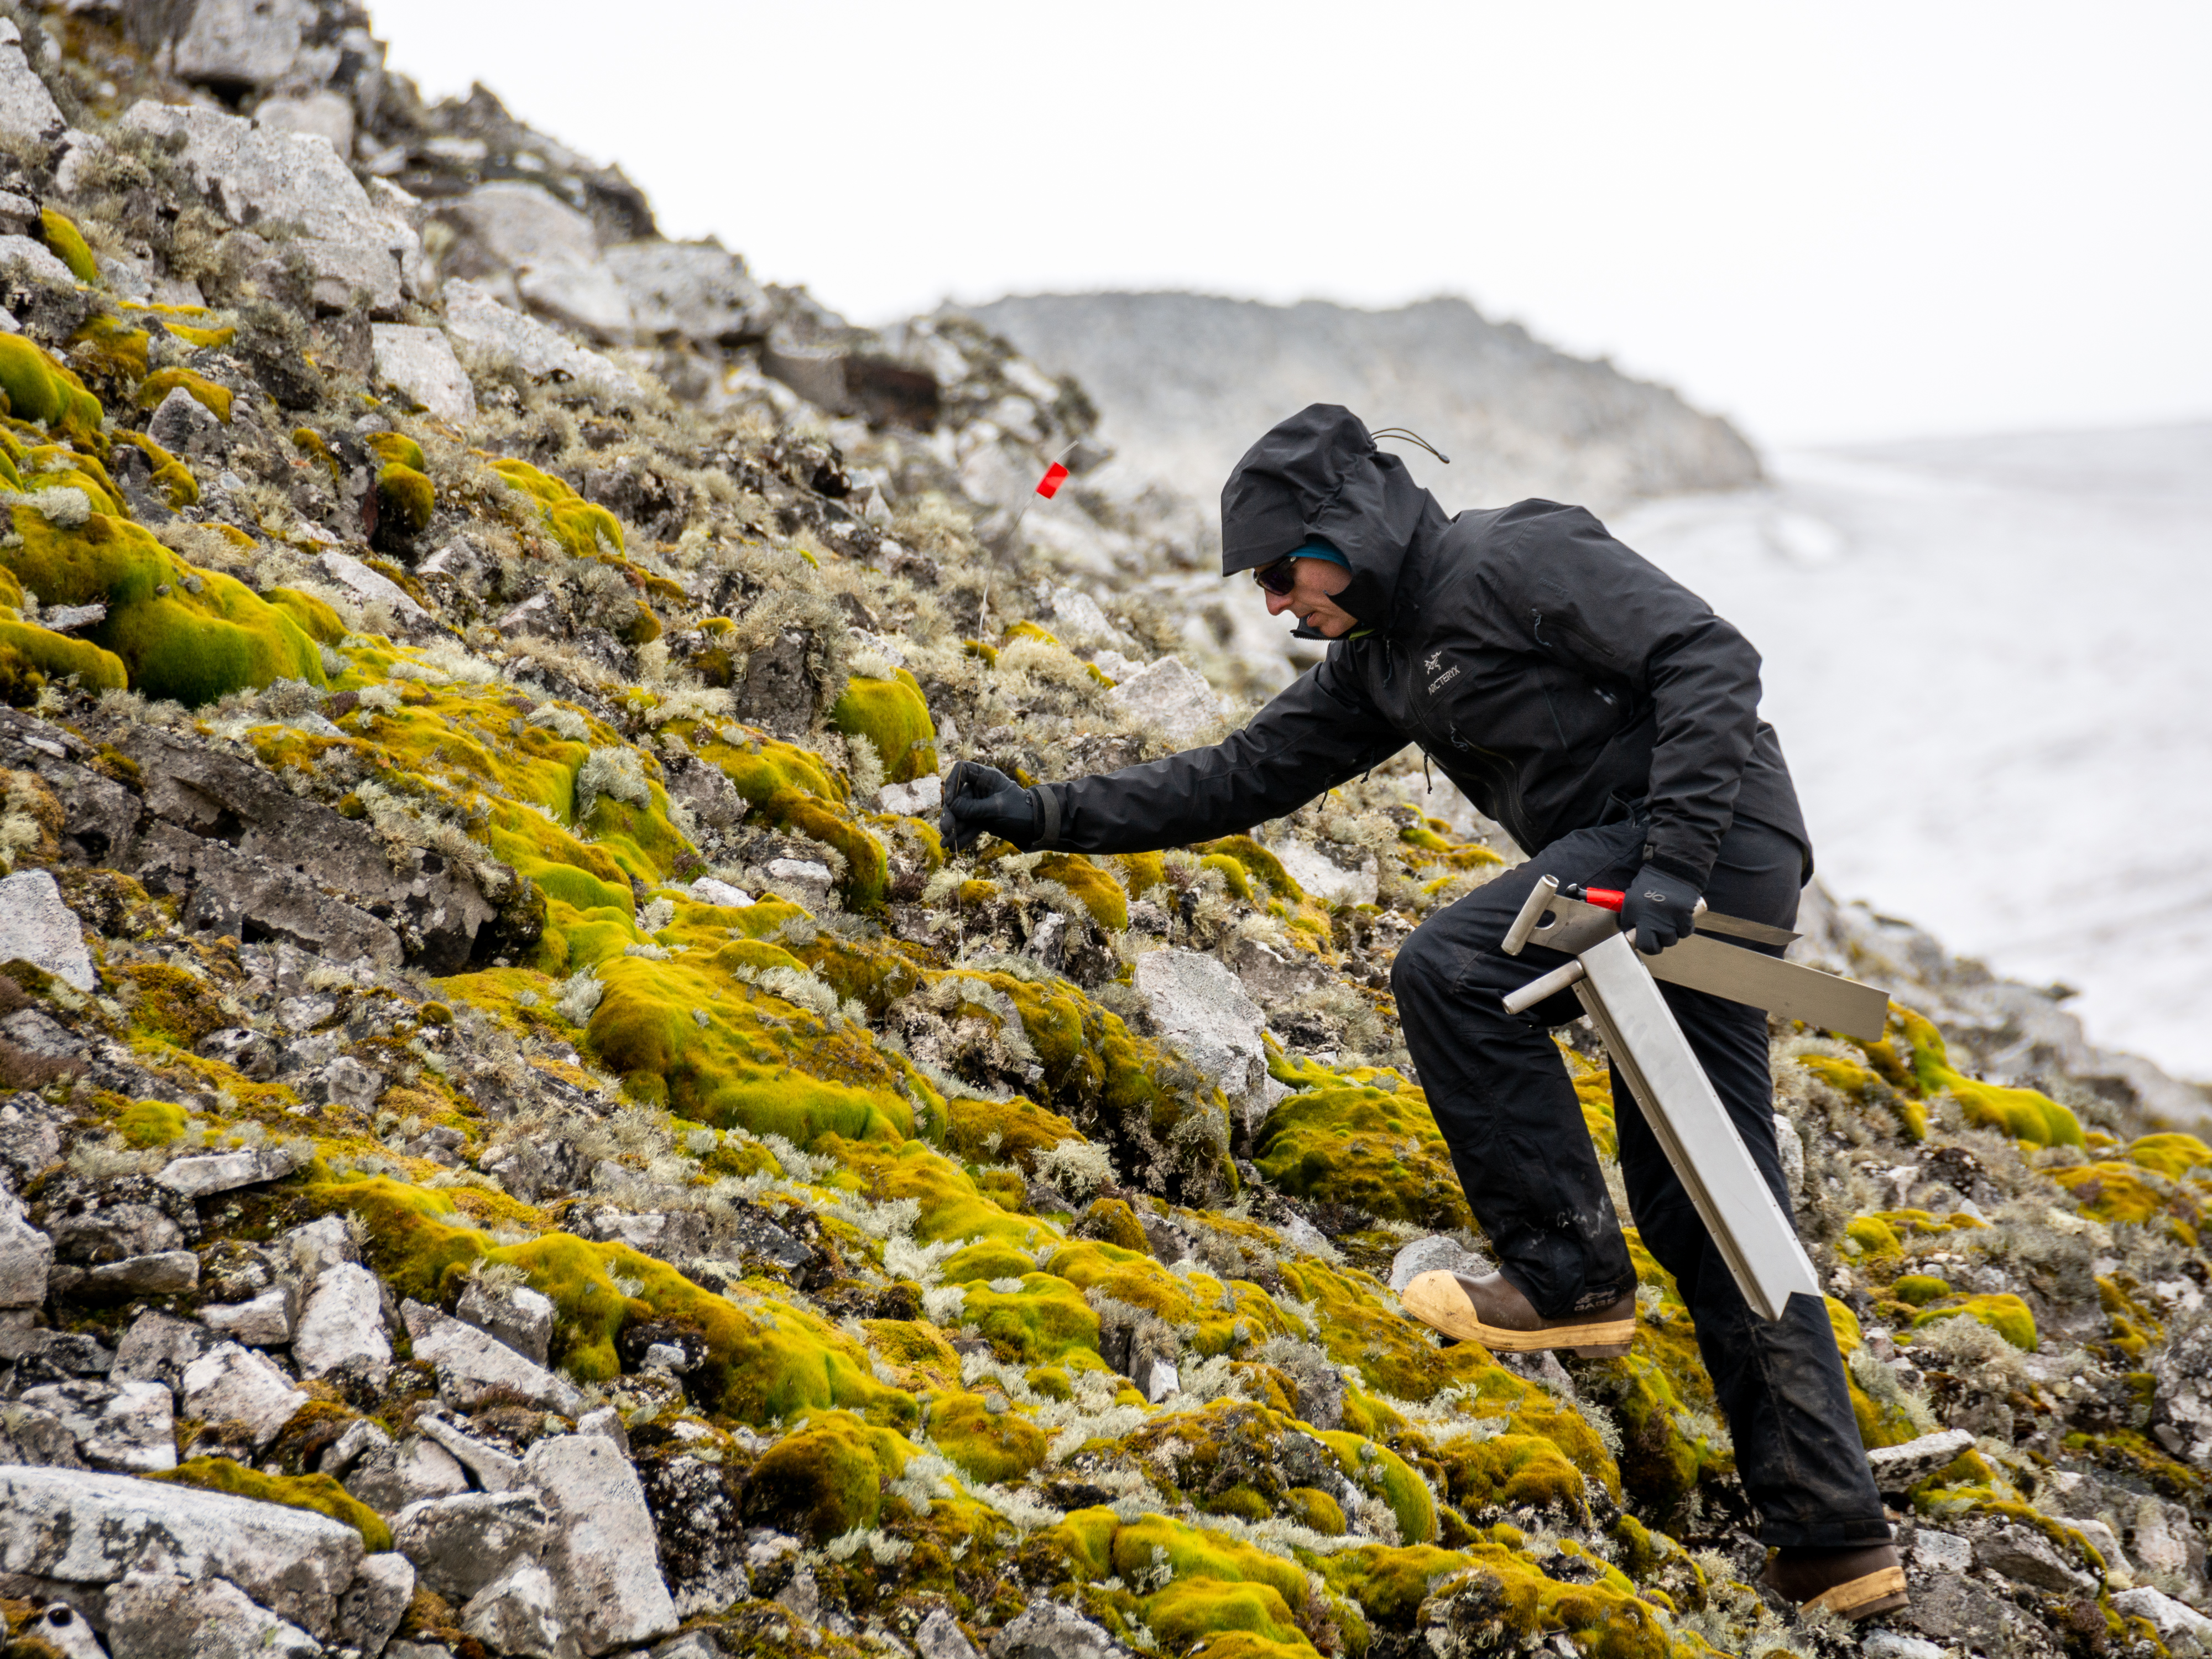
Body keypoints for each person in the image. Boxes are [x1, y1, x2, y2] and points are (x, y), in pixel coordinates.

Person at [939, 404, 1903, 1621]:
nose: (1276, 604)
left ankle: (1567, 1283)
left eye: (1282, 573)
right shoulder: (1381, 664)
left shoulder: (1512, 558)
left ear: (1344, 533)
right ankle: (1834, 1542)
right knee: (1701, 1199)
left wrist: (1669, 859)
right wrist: (1045, 814)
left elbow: (1709, 658)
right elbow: (1239, 774)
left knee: (1451, 968)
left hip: (1701, 849)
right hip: (1647, 877)